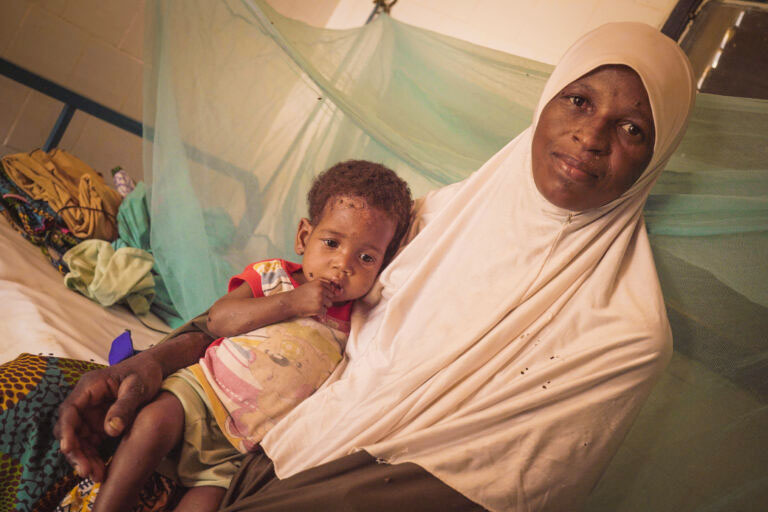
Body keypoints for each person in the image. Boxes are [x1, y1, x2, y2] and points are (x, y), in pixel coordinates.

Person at [55, 22, 695, 512]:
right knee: (39, 404)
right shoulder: (429, 219)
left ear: (655, 156)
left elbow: (499, 486)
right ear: (546, 104)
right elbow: (292, 300)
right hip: (243, 436)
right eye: (579, 101)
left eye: (633, 128)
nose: (593, 135)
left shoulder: (625, 335)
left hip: (302, 488)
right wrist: (157, 360)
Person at [86, 160, 413, 511]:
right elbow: (219, 319)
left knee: (206, 504)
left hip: (240, 448)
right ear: (304, 236)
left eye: (366, 257)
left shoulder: (359, 324)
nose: (343, 264)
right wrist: (290, 302)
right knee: (152, 424)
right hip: (200, 394)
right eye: (331, 242)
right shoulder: (274, 277)